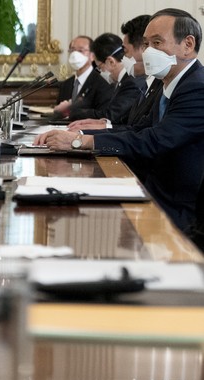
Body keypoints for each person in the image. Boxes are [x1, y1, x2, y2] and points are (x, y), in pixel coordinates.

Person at [34, 8, 204, 231]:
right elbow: (136, 129)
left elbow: (155, 140)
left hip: (174, 209)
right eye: (146, 44)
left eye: (157, 42)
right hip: (150, 191)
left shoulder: (196, 88)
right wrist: (79, 136)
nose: (148, 52)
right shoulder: (171, 84)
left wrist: (82, 142)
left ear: (188, 45)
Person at [68, 15, 162, 131]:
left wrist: (89, 136)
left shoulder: (139, 82)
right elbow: (133, 126)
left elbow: (142, 132)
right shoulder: (147, 82)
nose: (124, 57)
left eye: (125, 51)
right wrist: (101, 125)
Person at [68, 32, 143, 123]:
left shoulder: (130, 83)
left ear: (111, 62)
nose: (101, 72)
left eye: (99, 67)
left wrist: (73, 111)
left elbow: (111, 116)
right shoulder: (122, 82)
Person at [53, 35, 113, 120]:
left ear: (92, 56)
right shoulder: (65, 85)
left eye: (81, 50)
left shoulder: (102, 84)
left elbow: (102, 116)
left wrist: (69, 110)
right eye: (72, 50)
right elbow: (59, 114)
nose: (75, 54)